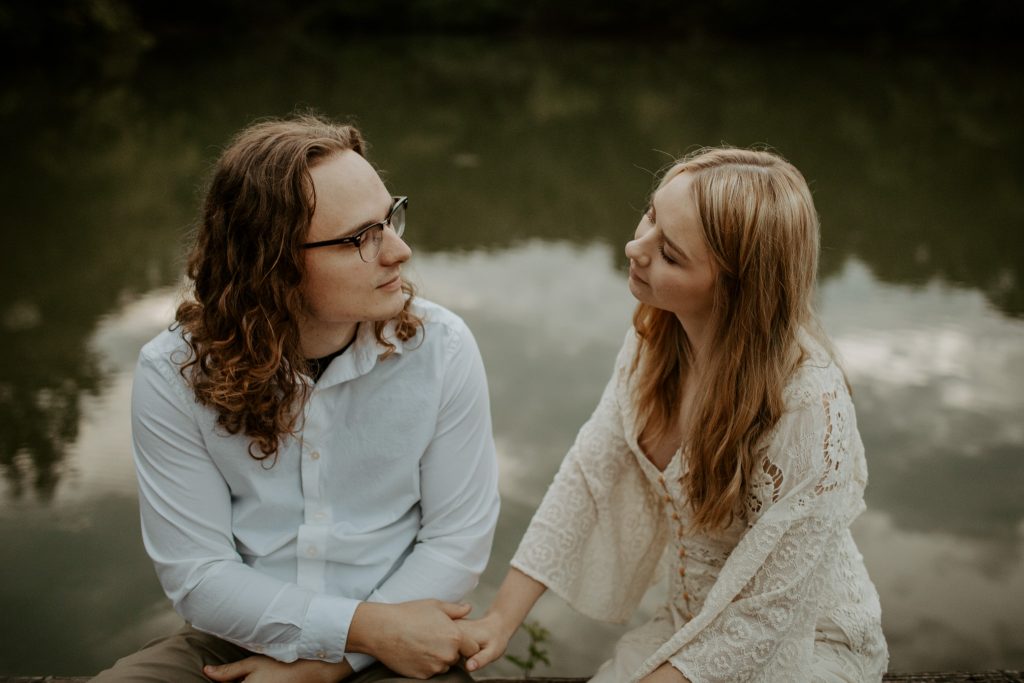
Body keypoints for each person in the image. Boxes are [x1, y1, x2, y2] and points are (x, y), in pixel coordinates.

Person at [92, 114, 500, 682]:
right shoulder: (174, 372)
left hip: (395, 642)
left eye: (391, 218)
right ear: (272, 263)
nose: (399, 252)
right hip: (236, 636)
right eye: (362, 237)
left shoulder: (442, 349)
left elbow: (456, 543)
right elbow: (199, 574)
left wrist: (329, 662)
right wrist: (354, 630)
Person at [459, 147, 888, 682]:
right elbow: (590, 475)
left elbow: (766, 617)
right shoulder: (652, 340)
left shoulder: (809, 406)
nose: (634, 247)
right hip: (688, 624)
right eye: (651, 214)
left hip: (801, 645)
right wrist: (500, 620)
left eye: (670, 254)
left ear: (736, 290)